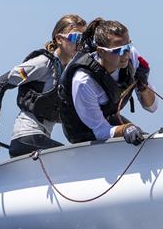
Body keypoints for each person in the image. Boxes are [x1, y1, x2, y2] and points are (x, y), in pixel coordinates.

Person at [0, 14, 87, 157]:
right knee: (72, 157)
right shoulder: (42, 63)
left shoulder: (70, 70)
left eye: (83, 39)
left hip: (41, 140)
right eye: (75, 38)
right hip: (25, 139)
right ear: (59, 39)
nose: (80, 44)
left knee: (75, 154)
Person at [59, 18, 157, 146]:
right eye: (118, 50)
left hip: (110, 119)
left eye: (128, 46)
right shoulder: (83, 81)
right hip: (84, 131)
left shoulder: (131, 56)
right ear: (101, 52)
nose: (125, 54)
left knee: (141, 139)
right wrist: (125, 129)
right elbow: (100, 130)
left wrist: (143, 87)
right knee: (131, 132)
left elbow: (152, 107)